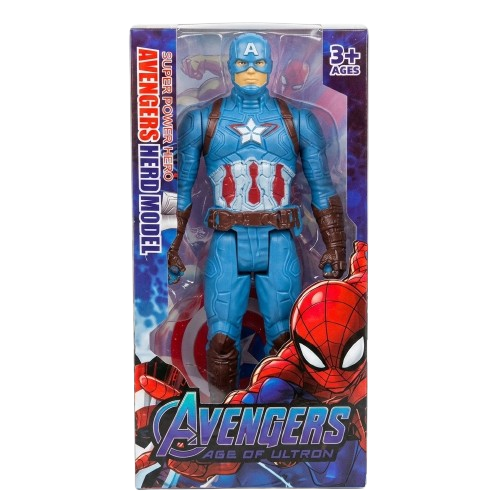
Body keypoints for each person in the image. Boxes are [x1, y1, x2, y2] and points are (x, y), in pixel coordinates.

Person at [168, 33, 346, 402]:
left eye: (258, 63)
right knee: (221, 338)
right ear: (230, 66)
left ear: (270, 66)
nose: (250, 70)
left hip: (278, 240)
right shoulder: (202, 120)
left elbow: (322, 188)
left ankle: (287, 414)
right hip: (227, 242)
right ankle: (221, 412)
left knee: (284, 337)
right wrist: (172, 246)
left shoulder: (299, 120)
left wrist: (336, 246)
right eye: (242, 63)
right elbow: (179, 191)